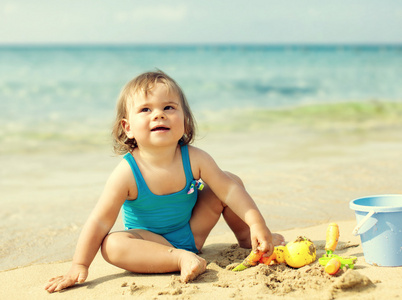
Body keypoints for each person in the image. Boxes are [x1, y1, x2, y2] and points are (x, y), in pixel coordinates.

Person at [45, 70, 284, 293]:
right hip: (150, 245)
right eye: (145, 110)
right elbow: (99, 221)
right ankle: (179, 258)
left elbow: (230, 192)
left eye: (168, 107)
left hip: (192, 232)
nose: (159, 114)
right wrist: (79, 264)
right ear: (128, 128)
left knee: (229, 180)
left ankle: (249, 240)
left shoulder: (195, 158)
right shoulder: (126, 173)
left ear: (185, 122)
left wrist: (256, 223)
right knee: (112, 245)